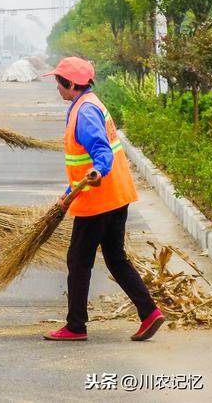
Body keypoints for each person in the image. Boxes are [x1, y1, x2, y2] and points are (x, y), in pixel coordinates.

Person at [42, 56, 164, 341]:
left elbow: (100, 152)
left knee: (78, 260)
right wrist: (67, 195)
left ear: (71, 83)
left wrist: (99, 169)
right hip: (115, 196)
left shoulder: (84, 111)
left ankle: (75, 326)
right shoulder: (88, 103)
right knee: (116, 257)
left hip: (97, 201)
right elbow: (82, 161)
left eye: (59, 82)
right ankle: (149, 312)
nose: (57, 87)